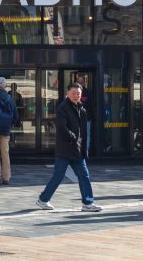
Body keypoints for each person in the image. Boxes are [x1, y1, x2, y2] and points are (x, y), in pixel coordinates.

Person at [35, 82, 102, 212]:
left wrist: (84, 148)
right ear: (67, 94)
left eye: (78, 94)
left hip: (77, 150)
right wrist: (73, 137)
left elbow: (83, 132)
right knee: (58, 176)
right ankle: (43, 200)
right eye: (73, 93)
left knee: (84, 175)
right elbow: (61, 127)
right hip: (65, 150)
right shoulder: (63, 108)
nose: (76, 96)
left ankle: (88, 203)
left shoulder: (82, 109)